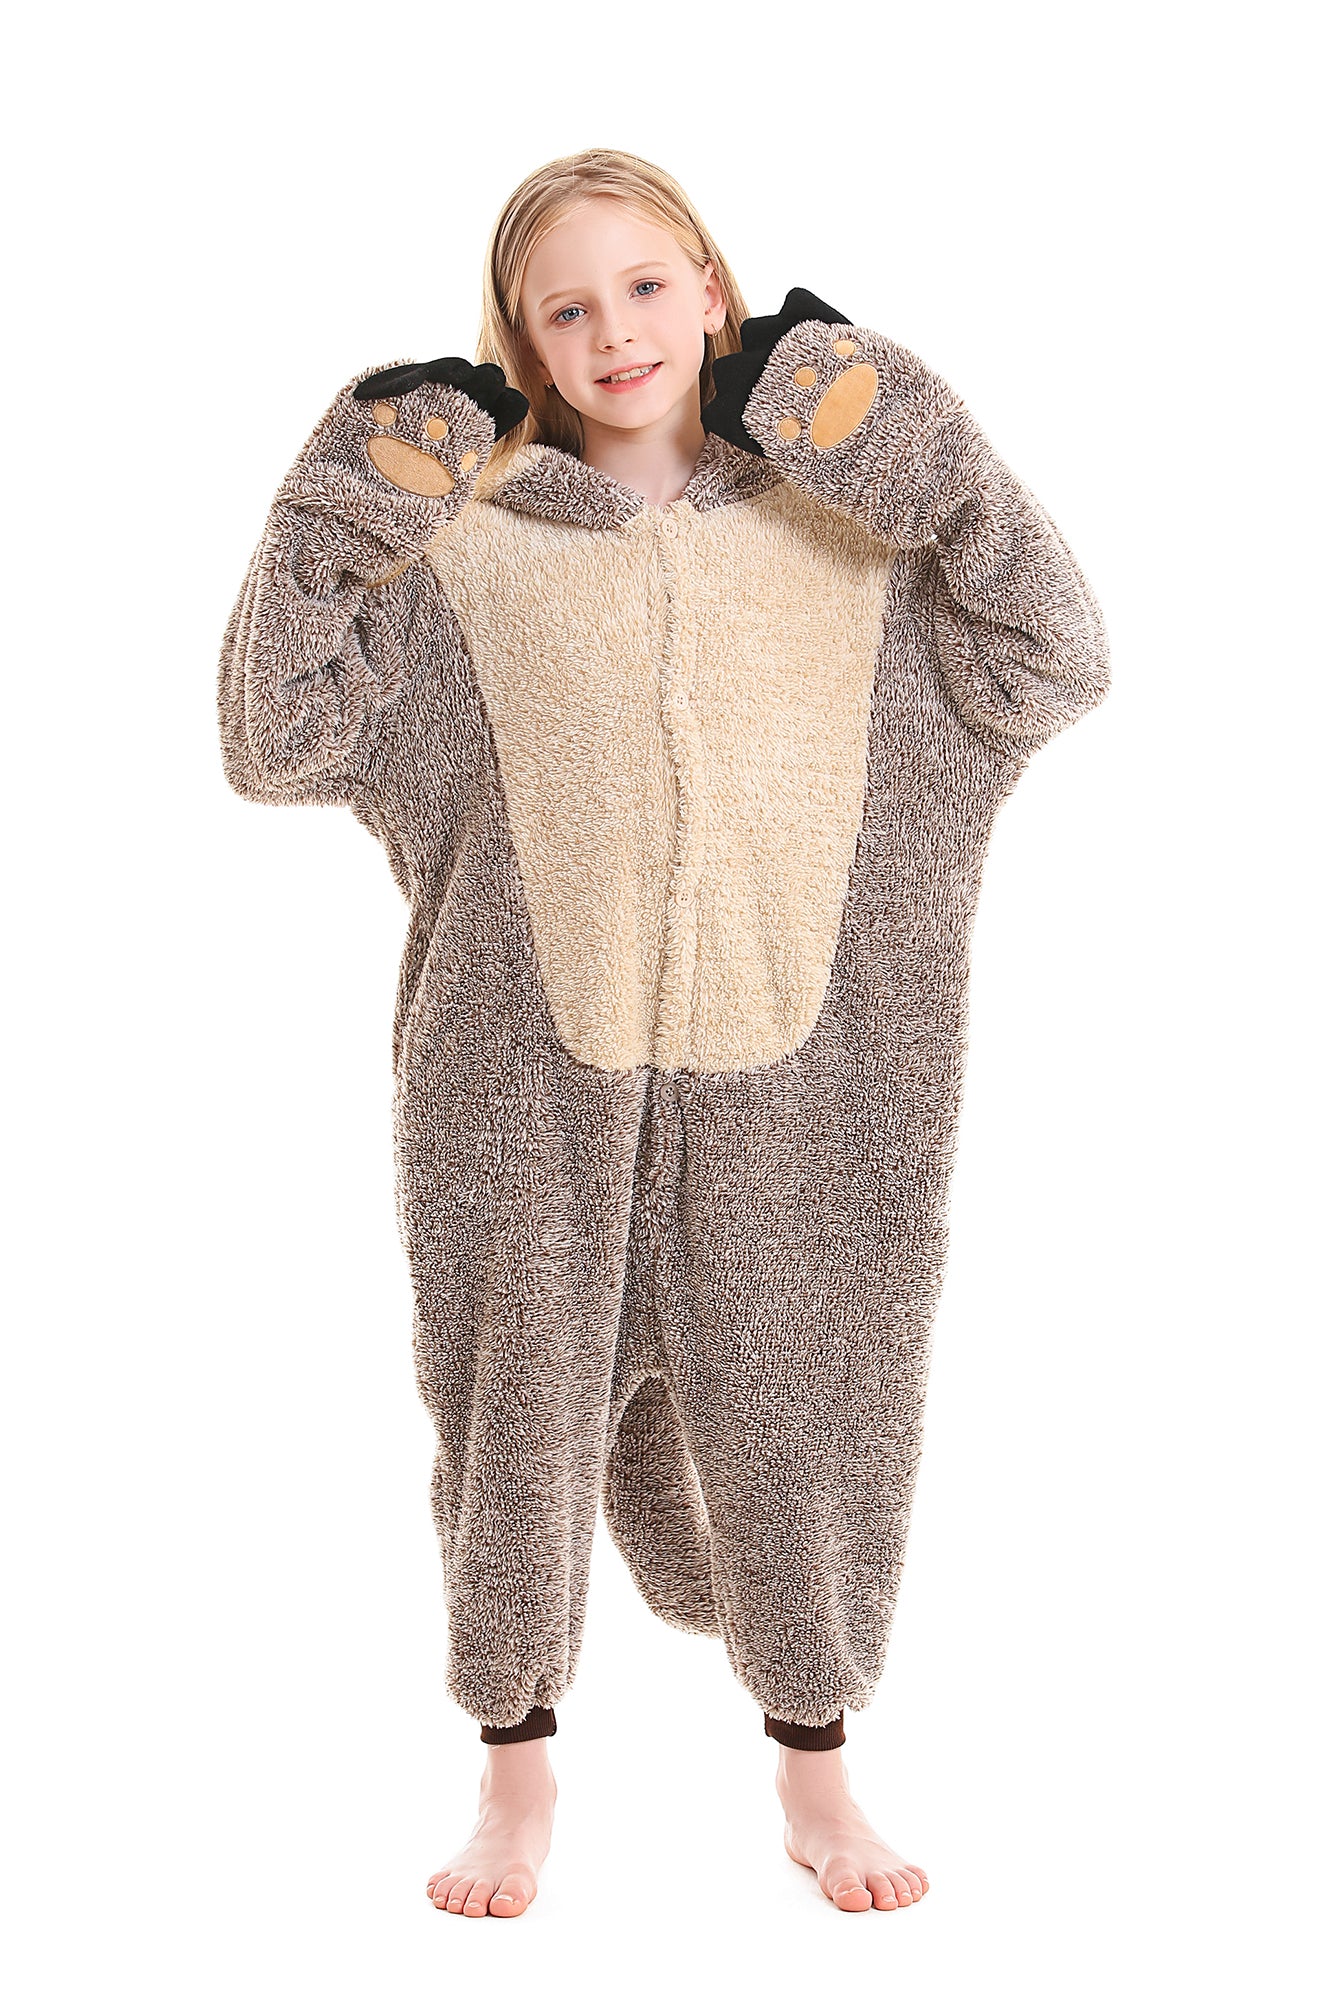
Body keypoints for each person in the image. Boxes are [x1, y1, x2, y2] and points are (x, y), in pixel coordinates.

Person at [217, 147, 1110, 1920]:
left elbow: (1053, 656)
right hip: (516, 1081)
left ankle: (814, 1771)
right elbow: (274, 734)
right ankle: (515, 1776)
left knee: (814, 1402)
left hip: (824, 1076)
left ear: (712, 289)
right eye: (564, 308)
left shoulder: (853, 546)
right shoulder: (463, 557)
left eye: (642, 284)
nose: (612, 330)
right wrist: (341, 506)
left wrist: (911, 451)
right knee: (511, 1422)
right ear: (520, 345)